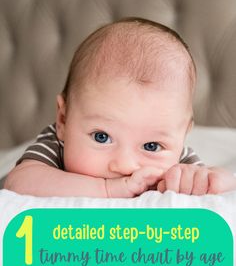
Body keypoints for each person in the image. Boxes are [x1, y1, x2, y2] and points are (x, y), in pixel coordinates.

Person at [4, 17, 236, 197]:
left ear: (183, 135)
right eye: (102, 137)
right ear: (63, 120)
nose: (125, 166)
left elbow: (218, 186)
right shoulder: (56, 144)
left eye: (151, 146)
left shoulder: (176, 160)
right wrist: (108, 189)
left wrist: (214, 180)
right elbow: (19, 183)